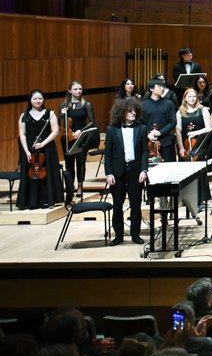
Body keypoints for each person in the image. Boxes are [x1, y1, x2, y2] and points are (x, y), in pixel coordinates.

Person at [103, 98, 148, 245]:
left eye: (135, 110)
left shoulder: (141, 128)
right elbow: (108, 154)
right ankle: (118, 236)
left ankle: (136, 235)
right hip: (117, 172)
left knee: (136, 205)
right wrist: (108, 173)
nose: (133, 113)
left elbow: (144, 153)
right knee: (117, 205)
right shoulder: (111, 130)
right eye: (130, 111)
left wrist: (144, 170)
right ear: (121, 112)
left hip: (135, 171)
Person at [16, 89, 63, 210]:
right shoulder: (24, 115)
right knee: (31, 173)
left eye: (40, 98)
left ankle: (49, 200)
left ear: (43, 100)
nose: (38, 101)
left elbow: (55, 131)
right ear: (30, 100)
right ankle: (31, 202)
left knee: (47, 172)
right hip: (30, 149)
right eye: (35, 99)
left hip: (47, 148)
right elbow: (22, 134)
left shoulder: (50, 114)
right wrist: (26, 151)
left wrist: (43, 144)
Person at [59, 81, 98, 202]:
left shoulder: (86, 104)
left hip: (81, 136)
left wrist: (80, 131)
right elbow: (60, 122)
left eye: (80, 89)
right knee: (69, 162)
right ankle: (71, 186)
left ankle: (80, 185)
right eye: (75, 89)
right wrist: (62, 114)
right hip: (68, 137)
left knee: (80, 161)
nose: (78, 91)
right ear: (70, 91)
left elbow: (92, 121)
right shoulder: (64, 105)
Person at [141, 77, 178, 162]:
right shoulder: (143, 104)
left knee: (168, 166)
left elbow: (173, 121)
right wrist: (148, 134)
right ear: (151, 88)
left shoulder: (168, 103)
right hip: (149, 140)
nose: (162, 88)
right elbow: (140, 122)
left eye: (163, 86)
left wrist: (160, 132)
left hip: (166, 140)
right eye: (159, 86)